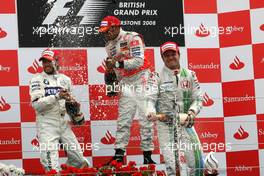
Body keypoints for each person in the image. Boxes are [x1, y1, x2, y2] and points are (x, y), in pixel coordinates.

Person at [147, 42, 218, 176]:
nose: (170, 57)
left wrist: (191, 113)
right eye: (166, 55)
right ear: (162, 58)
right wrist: (150, 111)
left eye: (173, 54)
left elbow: (198, 99)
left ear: (179, 54)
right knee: (173, 167)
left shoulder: (190, 74)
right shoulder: (156, 76)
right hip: (166, 125)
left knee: (197, 164)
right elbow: (149, 98)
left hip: (186, 122)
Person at [99, 15, 156, 164]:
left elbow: (138, 61)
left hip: (142, 77)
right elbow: (115, 69)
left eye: (108, 30)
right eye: (104, 31)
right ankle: (118, 156)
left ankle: (147, 157)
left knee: (146, 119)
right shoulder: (109, 46)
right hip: (126, 81)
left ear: (116, 26)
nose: (106, 34)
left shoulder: (132, 37)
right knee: (123, 119)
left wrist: (116, 65)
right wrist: (113, 80)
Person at [29, 49, 89, 172]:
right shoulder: (37, 79)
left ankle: (66, 172)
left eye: (49, 61)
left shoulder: (65, 79)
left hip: (63, 123)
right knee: (51, 165)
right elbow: (36, 105)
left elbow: (69, 103)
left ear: (56, 62)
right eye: (44, 61)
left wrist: (75, 113)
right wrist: (57, 96)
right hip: (47, 124)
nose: (46, 64)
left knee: (79, 160)